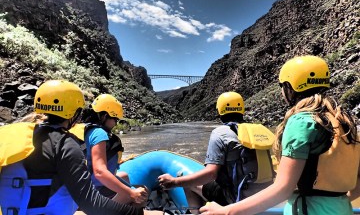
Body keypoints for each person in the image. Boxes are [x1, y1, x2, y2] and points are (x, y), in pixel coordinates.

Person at [199, 55, 360, 215]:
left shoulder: (302, 122)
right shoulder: (346, 120)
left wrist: (226, 211)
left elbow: (283, 189)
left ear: (290, 87)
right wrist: (332, 200)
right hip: (341, 208)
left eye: (283, 86)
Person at [0, 80, 162, 215]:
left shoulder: (11, 134)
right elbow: (90, 202)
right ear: (74, 113)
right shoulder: (65, 143)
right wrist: (137, 213)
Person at [158, 91, 274, 208]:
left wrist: (174, 182)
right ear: (242, 110)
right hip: (265, 196)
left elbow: (211, 174)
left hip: (237, 199)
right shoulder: (257, 131)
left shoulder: (220, 133)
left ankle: (195, 212)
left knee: (188, 184)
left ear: (220, 111)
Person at [81, 94, 148, 205]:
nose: (116, 123)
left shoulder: (88, 129)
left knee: (125, 176)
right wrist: (131, 192)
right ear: (104, 116)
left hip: (86, 185)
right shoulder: (100, 134)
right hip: (96, 189)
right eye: (115, 118)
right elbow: (99, 172)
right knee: (142, 194)